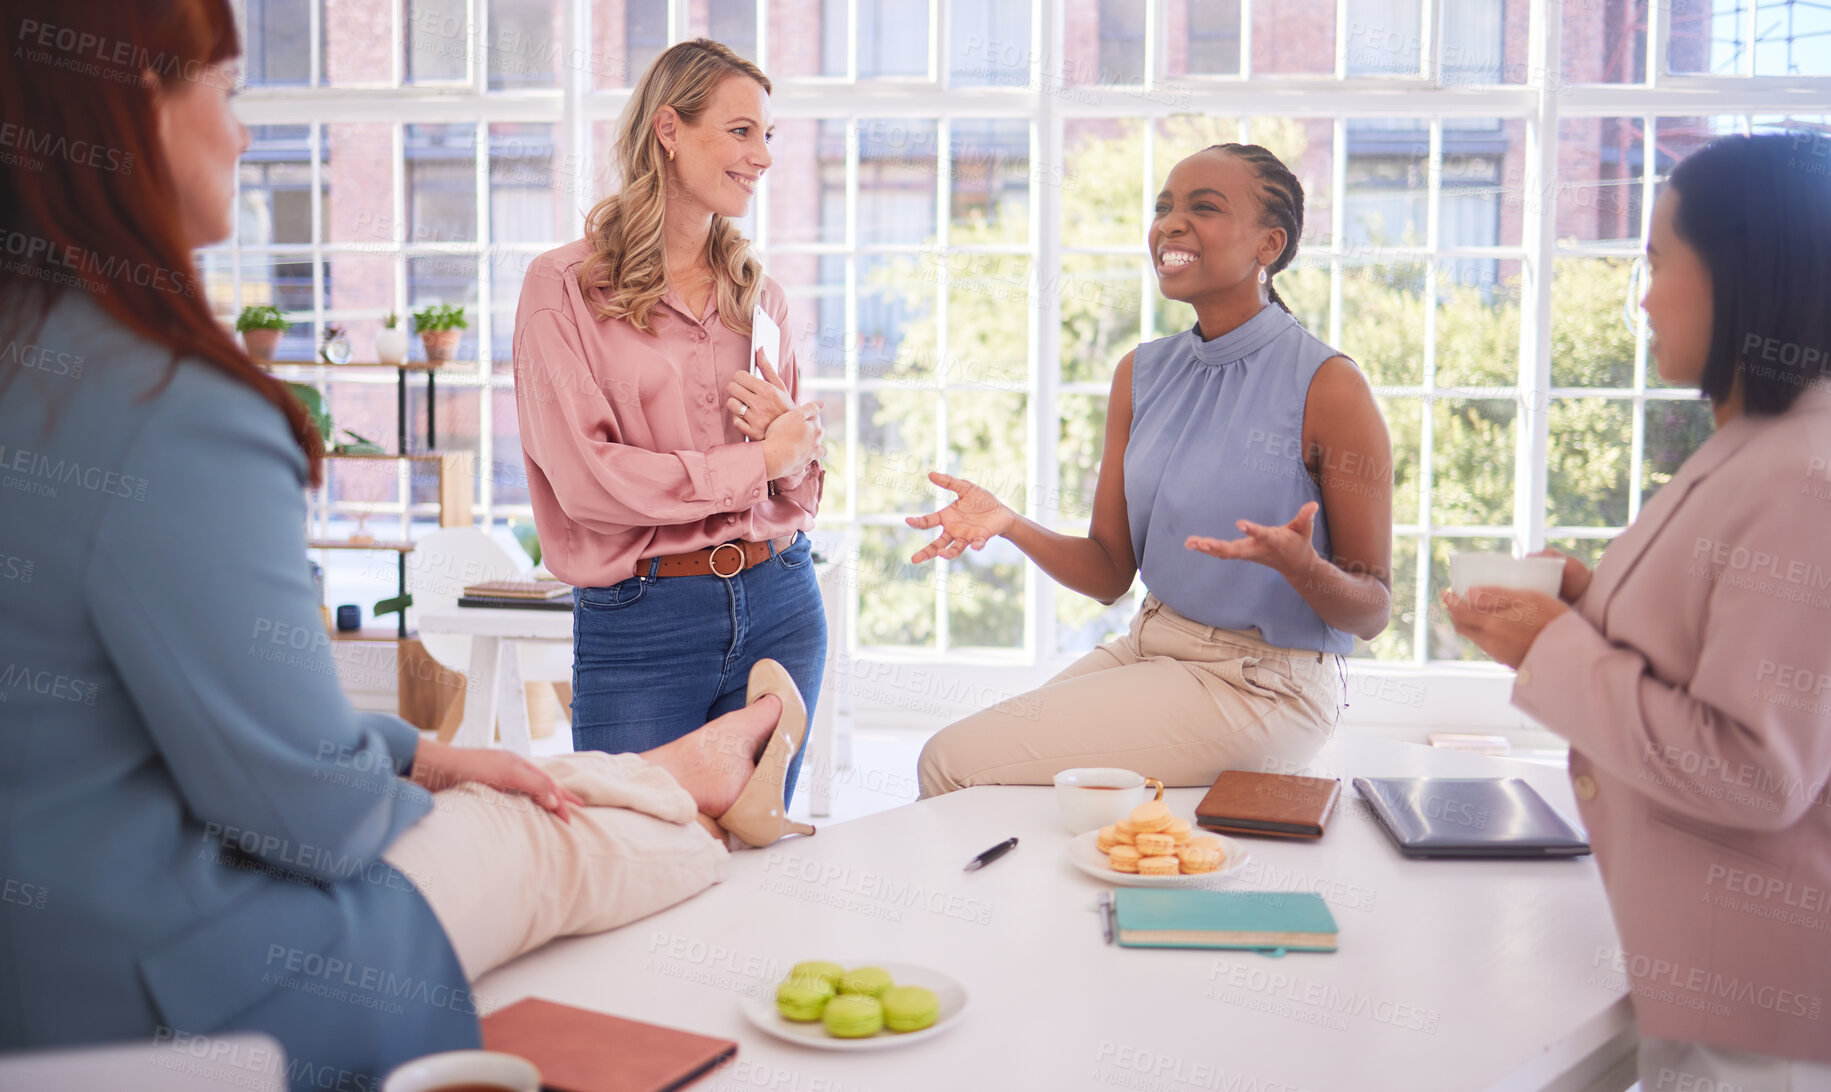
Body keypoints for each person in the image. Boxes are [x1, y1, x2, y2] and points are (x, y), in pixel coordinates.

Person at [0, 3, 806, 1086]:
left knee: (531, 798)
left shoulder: (42, 362)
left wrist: (419, 750)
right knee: (573, 839)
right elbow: (308, 816)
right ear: (130, 105)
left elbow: (143, 727)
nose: (243, 135)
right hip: (165, 975)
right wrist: (753, 465)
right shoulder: (173, 404)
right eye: (230, 92)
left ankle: (653, 775)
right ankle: (674, 779)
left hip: (770, 585)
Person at [1446, 133, 1831, 1088]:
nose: (1645, 297)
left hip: (1756, 1008)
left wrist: (1557, 652)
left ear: (1740, 269)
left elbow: (1757, 770)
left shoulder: (1802, 473)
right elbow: (1710, 646)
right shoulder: (1760, 443)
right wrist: (1585, 608)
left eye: (1658, 261)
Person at [911, 143, 1393, 797]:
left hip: (1266, 685)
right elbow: (1110, 571)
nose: (1169, 223)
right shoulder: (1141, 373)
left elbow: (1371, 611)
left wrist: (1303, 569)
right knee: (993, 784)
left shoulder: (1329, 386)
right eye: (1163, 207)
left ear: (1268, 245)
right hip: (1151, 644)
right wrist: (1009, 524)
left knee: (951, 764)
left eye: (1203, 207)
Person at [514, 39, 826, 830]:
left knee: (752, 862)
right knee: (633, 857)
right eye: (740, 131)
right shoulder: (564, 288)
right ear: (668, 128)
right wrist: (758, 459)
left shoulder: (759, 296)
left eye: (767, 137)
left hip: (782, 598)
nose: (761, 156)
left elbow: (802, 476)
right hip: (644, 619)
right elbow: (587, 481)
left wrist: (792, 455)